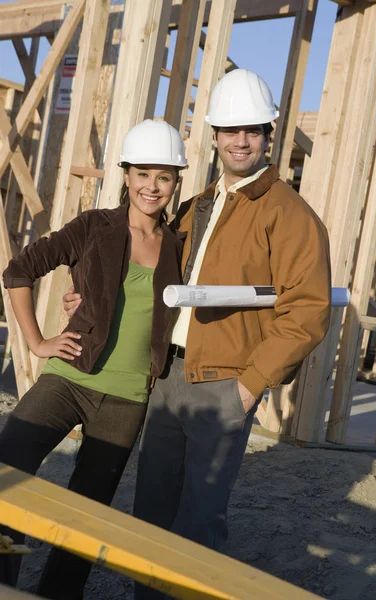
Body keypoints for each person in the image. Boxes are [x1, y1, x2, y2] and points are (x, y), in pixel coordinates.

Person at [65, 69, 331, 599]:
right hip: (167, 375)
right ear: (212, 136)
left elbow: (307, 309)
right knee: (153, 509)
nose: (239, 140)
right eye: (229, 130)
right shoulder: (193, 207)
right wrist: (90, 298)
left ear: (267, 135)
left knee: (200, 517)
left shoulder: (289, 215)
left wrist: (250, 384)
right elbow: (149, 273)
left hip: (223, 384)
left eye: (251, 130)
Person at [0, 119, 187, 599]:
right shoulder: (94, 227)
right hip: (69, 378)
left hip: (127, 398)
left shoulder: (181, 250)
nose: (152, 186)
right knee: (8, 469)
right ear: (126, 175)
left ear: (175, 183)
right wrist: (38, 341)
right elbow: (19, 271)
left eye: (163, 176)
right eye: (142, 173)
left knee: (89, 514)